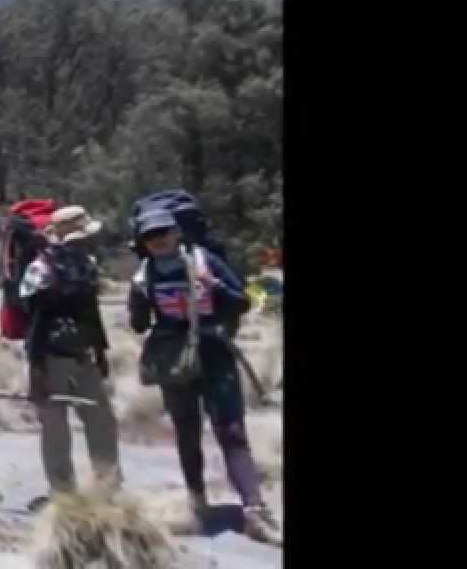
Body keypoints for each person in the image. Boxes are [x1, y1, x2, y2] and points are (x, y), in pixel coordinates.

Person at [129, 209, 282, 545]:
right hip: (174, 360)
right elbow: (139, 324)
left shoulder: (203, 260)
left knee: (231, 430)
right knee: (187, 431)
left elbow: (241, 301)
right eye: (151, 236)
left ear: (176, 233)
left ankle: (255, 510)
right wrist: (141, 300)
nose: (159, 240)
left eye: (164, 232)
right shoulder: (143, 275)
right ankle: (197, 501)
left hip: (214, 352)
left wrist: (212, 286)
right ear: (143, 242)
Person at [19, 205, 121, 508]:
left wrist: (100, 351)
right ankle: (63, 492)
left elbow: (91, 312)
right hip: (51, 355)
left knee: (101, 418)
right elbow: (35, 320)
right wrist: (36, 366)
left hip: (83, 352)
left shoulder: (87, 264)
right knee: (55, 424)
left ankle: (107, 485)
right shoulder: (40, 270)